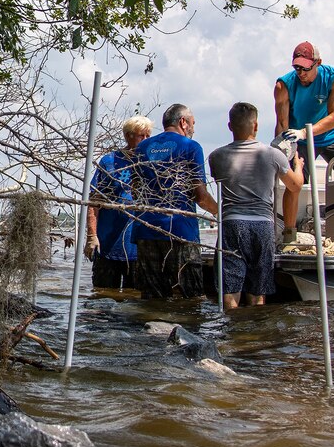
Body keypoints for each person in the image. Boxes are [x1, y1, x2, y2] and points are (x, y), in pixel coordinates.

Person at [209, 102, 304, 310]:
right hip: (262, 225)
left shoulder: (216, 156)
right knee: (258, 291)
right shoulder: (273, 155)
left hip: (232, 223)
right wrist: (299, 166)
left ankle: (232, 336)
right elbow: (295, 186)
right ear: (256, 126)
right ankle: (256, 337)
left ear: (229, 126)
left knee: (230, 290)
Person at [274, 40, 334, 243]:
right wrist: (284, 149)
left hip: (330, 135)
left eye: (305, 68)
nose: (301, 73)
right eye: (296, 68)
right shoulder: (283, 85)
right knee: (295, 183)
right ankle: (289, 236)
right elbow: (282, 123)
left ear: (318, 63)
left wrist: (306, 132)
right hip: (297, 139)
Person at [131, 103, 218, 299]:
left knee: (151, 299)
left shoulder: (142, 147)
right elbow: (200, 195)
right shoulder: (191, 147)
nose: (194, 128)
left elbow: (135, 191)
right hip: (179, 231)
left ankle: (150, 329)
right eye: (193, 123)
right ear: (183, 123)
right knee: (190, 297)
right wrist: (219, 211)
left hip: (146, 230)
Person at [83, 115, 154, 289]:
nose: (146, 140)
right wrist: (92, 236)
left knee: (135, 302)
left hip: (139, 249)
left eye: (148, 136)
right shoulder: (110, 162)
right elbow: (94, 202)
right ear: (129, 136)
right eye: (141, 136)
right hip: (108, 246)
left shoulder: (152, 164)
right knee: (102, 297)